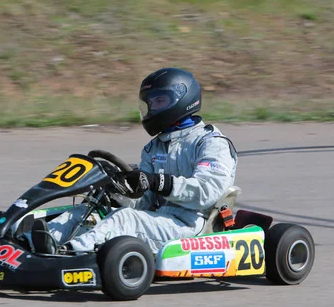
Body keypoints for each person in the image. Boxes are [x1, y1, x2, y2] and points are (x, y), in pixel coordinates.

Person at [31, 67, 238, 255]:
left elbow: (207, 193)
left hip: (191, 225)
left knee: (125, 220)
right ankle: (31, 242)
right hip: (161, 219)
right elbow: (144, 200)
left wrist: (158, 181)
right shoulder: (154, 147)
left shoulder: (210, 143)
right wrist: (116, 191)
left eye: (160, 101)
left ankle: (69, 252)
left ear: (182, 99)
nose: (153, 108)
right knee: (88, 212)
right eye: (150, 103)